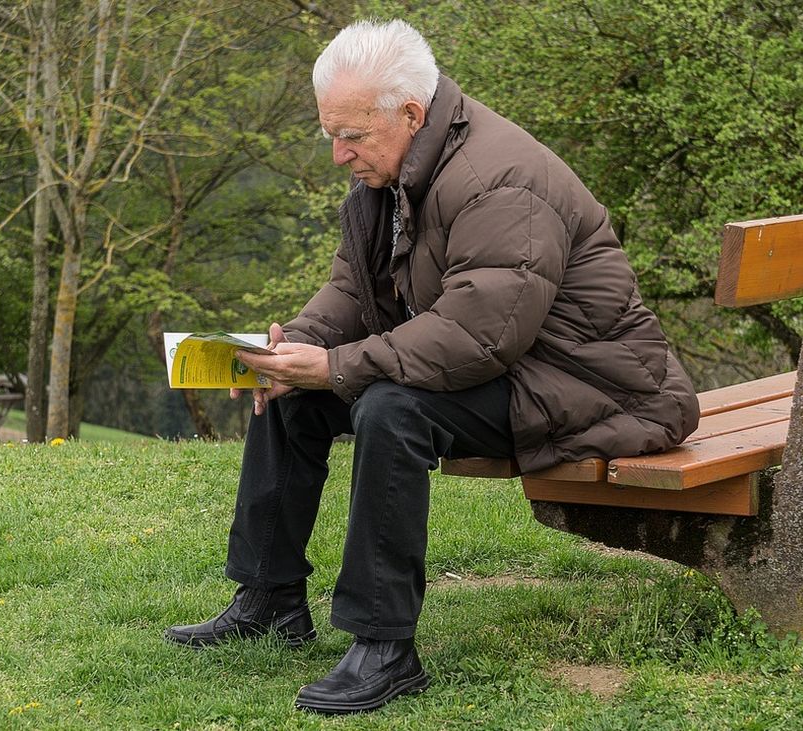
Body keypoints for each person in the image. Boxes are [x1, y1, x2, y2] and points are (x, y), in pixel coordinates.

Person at [164, 19, 700, 714]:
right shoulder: (394, 172)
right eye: (331, 133)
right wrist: (294, 346)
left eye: (351, 134)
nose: (337, 154)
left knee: (390, 406)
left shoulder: (500, 180)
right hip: (516, 371)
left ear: (411, 114)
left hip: (596, 389)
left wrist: (336, 365)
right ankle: (269, 596)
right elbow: (355, 292)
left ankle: (385, 646)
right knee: (295, 389)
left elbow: (479, 338)